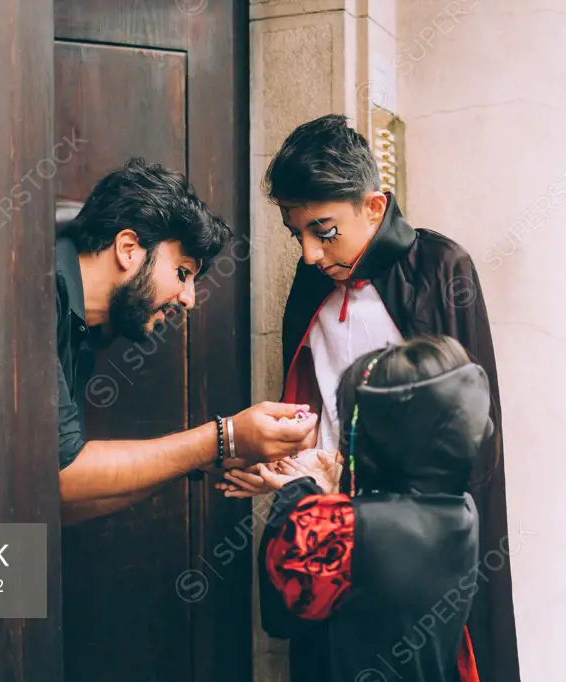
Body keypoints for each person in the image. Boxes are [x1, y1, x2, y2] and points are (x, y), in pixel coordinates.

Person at [218, 115, 519, 682]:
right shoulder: (312, 282)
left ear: (375, 207)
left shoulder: (441, 268)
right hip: (327, 526)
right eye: (297, 235)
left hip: (409, 545)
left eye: (325, 231)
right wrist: (284, 463)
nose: (309, 254)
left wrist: (319, 494)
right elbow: (311, 403)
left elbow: (468, 431)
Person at [56, 157, 317, 524]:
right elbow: (65, 476)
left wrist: (210, 456)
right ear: (128, 248)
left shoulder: (81, 331)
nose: (188, 299)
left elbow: (64, 499)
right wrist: (224, 437)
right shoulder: (43, 292)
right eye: (182, 273)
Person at [257, 336, 489, 682]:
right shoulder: (462, 512)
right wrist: (335, 490)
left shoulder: (344, 529)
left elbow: (282, 613)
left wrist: (299, 490)